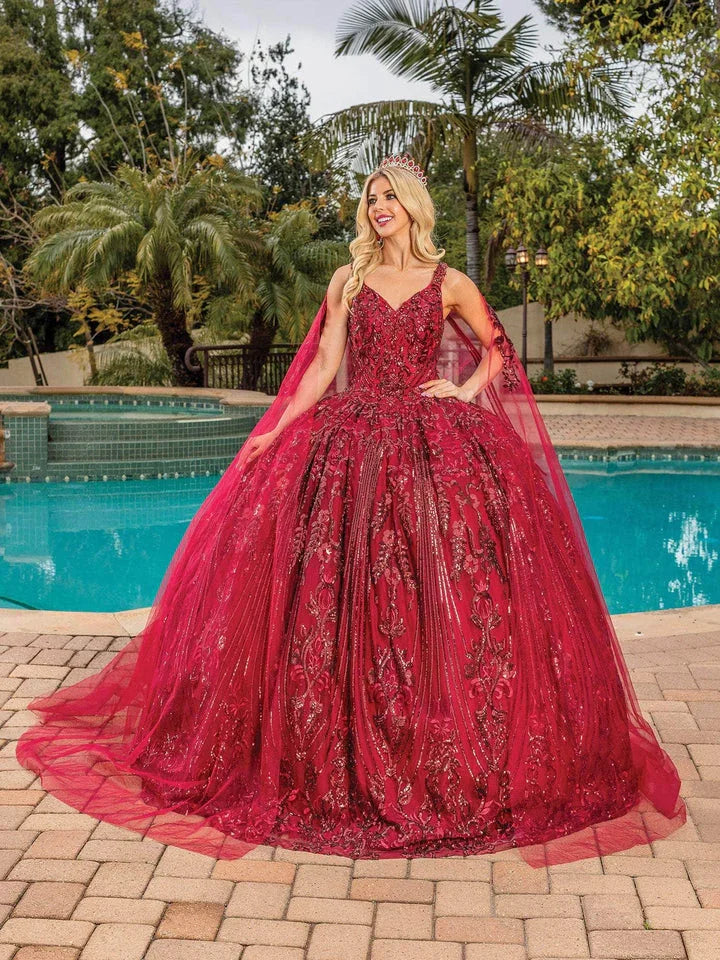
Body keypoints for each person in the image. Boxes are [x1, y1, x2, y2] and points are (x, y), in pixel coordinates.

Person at [17, 153, 686, 868]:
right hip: (353, 440)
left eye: (390, 196)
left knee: (445, 580)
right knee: (342, 586)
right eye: (371, 197)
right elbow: (323, 365)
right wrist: (274, 429)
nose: (378, 207)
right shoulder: (351, 278)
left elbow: (498, 350)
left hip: (433, 443)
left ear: (414, 206)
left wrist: (461, 394)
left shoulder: (450, 281)